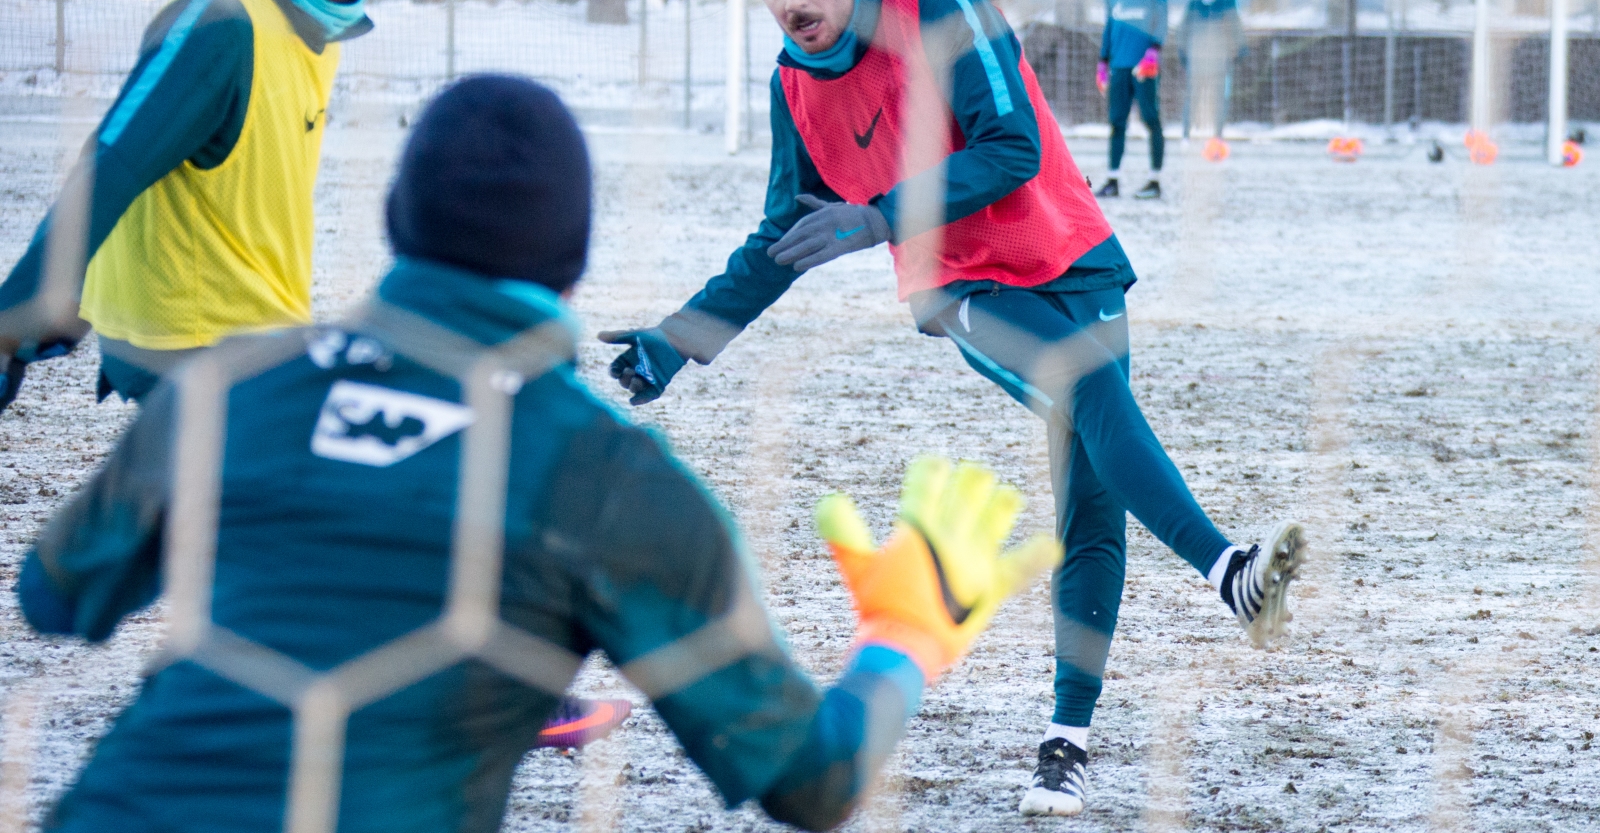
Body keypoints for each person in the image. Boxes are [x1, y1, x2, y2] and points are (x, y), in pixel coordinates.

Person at [14, 75, 1054, 833]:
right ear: (574, 255)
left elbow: (59, 595)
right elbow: (813, 782)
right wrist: (904, 639)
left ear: (396, 221)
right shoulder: (606, 477)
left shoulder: (233, 387)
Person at [597, 0, 1307, 818]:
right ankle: (1230, 572)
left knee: (1092, 491)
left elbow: (1011, 149)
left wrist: (880, 215)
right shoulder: (792, 88)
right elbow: (783, 232)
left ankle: (1066, 742)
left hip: (1073, 254)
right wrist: (677, 340)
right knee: (1081, 388)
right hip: (963, 286)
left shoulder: (937, 5)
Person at [0, 0, 380, 410]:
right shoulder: (221, 22)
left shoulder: (317, 27)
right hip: (195, 344)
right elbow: (115, 162)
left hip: (258, 332)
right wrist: (18, 321)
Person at [1094, 0, 1168, 200]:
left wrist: (1154, 50)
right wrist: (1103, 61)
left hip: (1144, 65)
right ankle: (1113, 180)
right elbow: (1110, 25)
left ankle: (1155, 180)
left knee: (1151, 117)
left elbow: (1161, 18)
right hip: (1120, 65)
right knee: (1116, 122)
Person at [1175, 0, 1247, 141]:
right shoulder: (1228, 1)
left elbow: (1182, 31)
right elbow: (1235, 29)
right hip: (1219, 61)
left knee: (1192, 99)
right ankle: (1217, 136)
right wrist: (1240, 51)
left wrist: (1184, 55)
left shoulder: (1195, 1)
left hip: (1196, 59)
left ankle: (1186, 134)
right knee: (1218, 101)